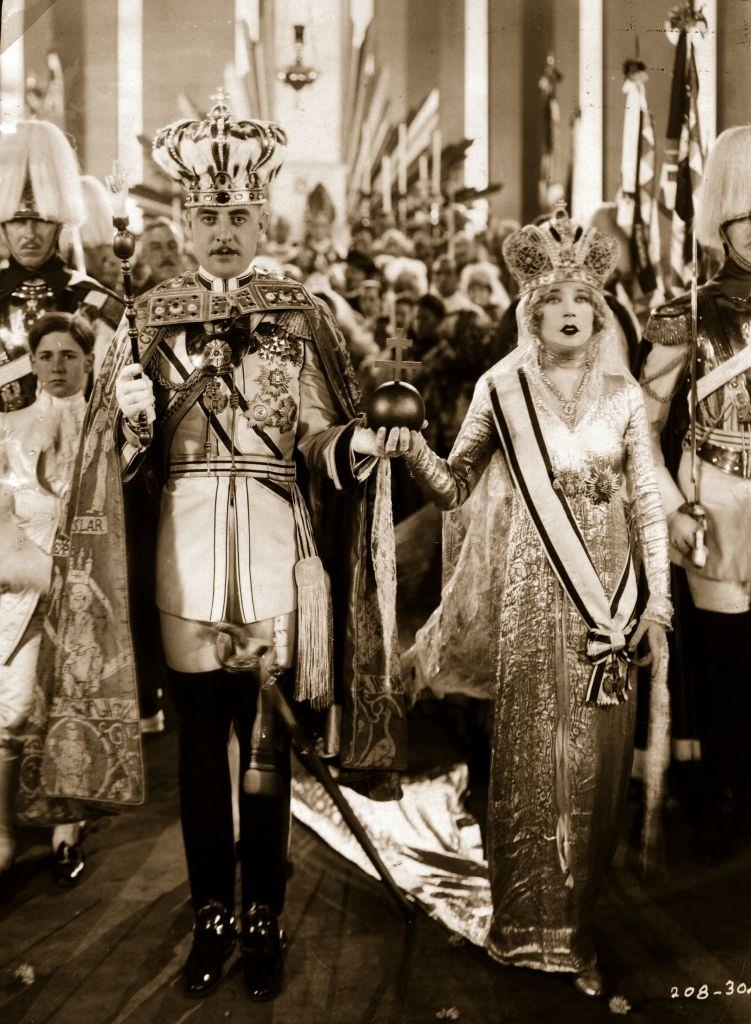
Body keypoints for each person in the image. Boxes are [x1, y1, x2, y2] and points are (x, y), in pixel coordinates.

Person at [19, 99, 408, 1004]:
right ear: (183, 223)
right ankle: (210, 914)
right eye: (207, 217)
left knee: (267, 737)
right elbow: (111, 463)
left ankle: (265, 914)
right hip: (184, 557)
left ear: (261, 219)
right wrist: (134, 428)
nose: (224, 232)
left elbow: (319, 433)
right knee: (201, 747)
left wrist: (353, 449)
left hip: (277, 556)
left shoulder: (299, 313)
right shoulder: (148, 318)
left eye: (239, 217)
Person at [401, 205, 672, 996]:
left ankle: (577, 930)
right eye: (551, 301)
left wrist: (655, 607)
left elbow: (648, 501)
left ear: (597, 312)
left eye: (579, 302)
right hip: (529, 587)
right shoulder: (501, 386)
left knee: (593, 765)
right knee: (527, 760)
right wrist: (407, 445)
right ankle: (524, 929)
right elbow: (454, 486)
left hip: (607, 606)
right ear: (531, 311)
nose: (566, 313)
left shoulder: (624, 395)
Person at [638, 125, 751, 860]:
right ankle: (726, 781)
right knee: (725, 651)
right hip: (715, 497)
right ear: (721, 220)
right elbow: (643, 423)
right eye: (744, 215)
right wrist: (671, 507)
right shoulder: (686, 313)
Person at [0, 312, 95, 890]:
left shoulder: (107, 430)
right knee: (10, 715)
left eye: (69, 356)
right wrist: (30, 571)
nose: (57, 367)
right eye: (46, 356)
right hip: (22, 589)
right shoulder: (7, 430)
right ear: (31, 362)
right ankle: (4, 835)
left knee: (74, 711)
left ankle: (69, 828)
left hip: (89, 590)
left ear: (87, 362)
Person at [0, 120, 123, 411]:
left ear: (59, 223)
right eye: (19, 221)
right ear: (3, 226)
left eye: (41, 220)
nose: (29, 234)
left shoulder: (96, 301)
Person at [138, 217, 186, 291]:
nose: (166, 254)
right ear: (143, 256)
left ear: (182, 250)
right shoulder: (137, 301)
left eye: (172, 246)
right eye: (156, 248)